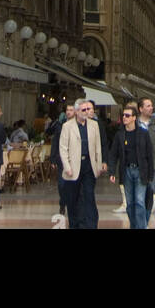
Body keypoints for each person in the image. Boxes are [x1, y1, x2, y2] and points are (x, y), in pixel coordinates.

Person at [59, 98, 107, 229]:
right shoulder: (67, 126)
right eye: (83, 110)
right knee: (73, 200)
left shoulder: (94, 125)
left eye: (87, 109)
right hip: (73, 168)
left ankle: (91, 225)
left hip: (89, 167)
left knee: (89, 197)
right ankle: (75, 225)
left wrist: (98, 165)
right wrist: (67, 167)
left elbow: (98, 147)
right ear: (76, 111)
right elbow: (63, 148)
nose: (86, 112)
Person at [109, 102, 155, 229]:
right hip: (127, 171)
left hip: (141, 171)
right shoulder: (119, 135)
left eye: (127, 115)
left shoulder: (143, 133)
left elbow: (149, 155)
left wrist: (150, 175)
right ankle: (135, 226)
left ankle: (141, 226)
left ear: (134, 117)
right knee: (130, 204)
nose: (124, 117)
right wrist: (112, 172)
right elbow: (113, 154)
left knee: (140, 202)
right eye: (123, 115)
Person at [137, 95, 155, 215]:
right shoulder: (135, 123)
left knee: (149, 193)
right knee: (139, 195)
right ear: (141, 109)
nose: (151, 108)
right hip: (137, 164)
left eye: (151, 106)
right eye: (148, 106)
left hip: (153, 164)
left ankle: (145, 220)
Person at [47, 106, 74, 214]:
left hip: (74, 158)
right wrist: (52, 158)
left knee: (73, 183)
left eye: (71, 110)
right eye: (67, 110)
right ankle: (63, 203)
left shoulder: (78, 125)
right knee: (61, 184)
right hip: (61, 158)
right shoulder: (59, 124)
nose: (68, 112)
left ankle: (72, 204)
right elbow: (55, 142)